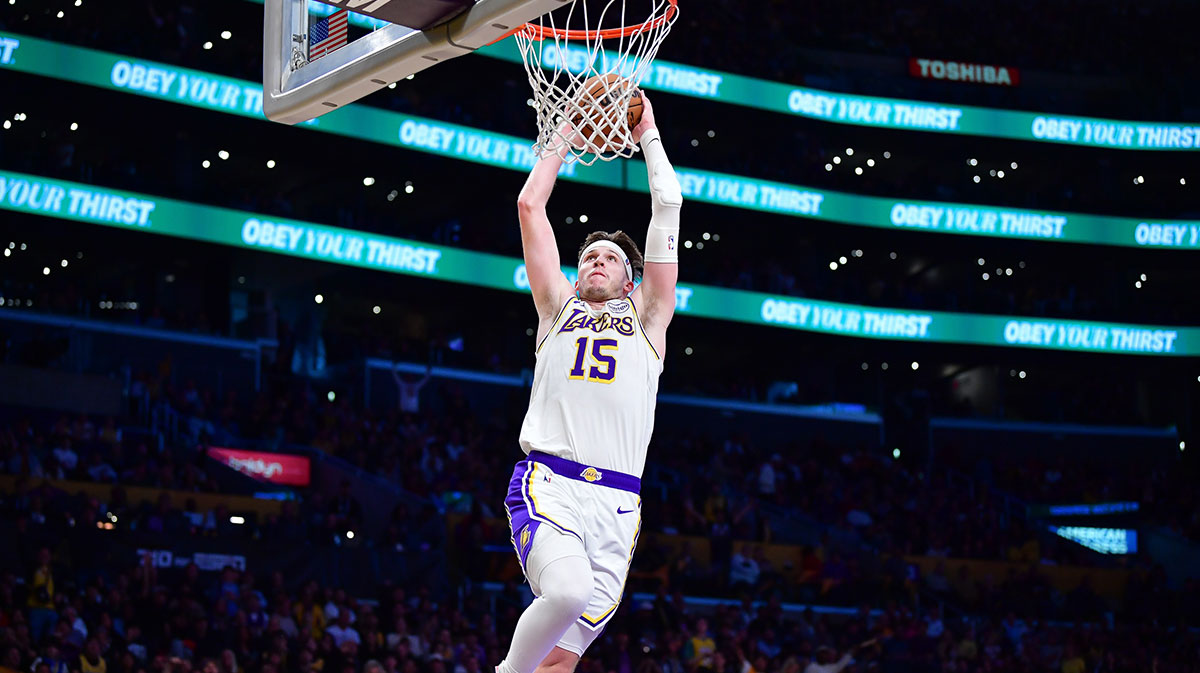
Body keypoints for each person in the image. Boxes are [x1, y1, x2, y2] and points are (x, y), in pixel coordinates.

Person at [499, 92, 682, 673]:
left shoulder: (648, 320)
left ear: (632, 281)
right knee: (568, 593)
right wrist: (563, 135)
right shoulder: (556, 308)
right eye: (588, 256)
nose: (595, 261)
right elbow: (531, 206)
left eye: (608, 258)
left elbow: (669, 202)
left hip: (618, 505)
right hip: (550, 482)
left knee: (560, 663)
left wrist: (648, 133)